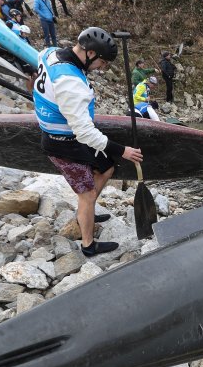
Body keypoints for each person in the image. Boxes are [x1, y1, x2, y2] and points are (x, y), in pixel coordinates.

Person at [34, 27, 143, 257]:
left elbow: (38, 55)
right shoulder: (70, 82)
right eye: (102, 63)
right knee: (87, 194)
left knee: (106, 167)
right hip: (62, 143)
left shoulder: (52, 53)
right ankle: (88, 245)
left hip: (70, 135)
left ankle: (87, 210)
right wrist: (123, 150)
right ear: (90, 53)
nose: (102, 68)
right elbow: (84, 133)